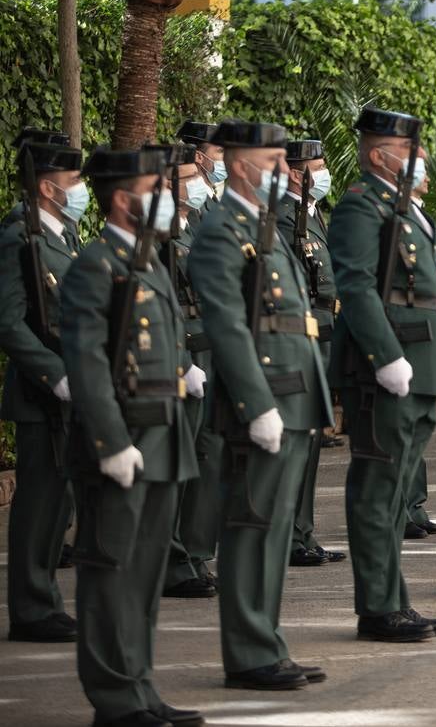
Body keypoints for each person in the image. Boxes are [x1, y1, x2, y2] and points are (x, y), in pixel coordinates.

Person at [61, 145, 204, 726]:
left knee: (144, 574)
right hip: (123, 442)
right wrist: (111, 442)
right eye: (156, 190)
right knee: (110, 570)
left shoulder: (147, 260)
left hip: (163, 439)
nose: (168, 201)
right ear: (124, 200)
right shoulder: (95, 265)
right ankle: (115, 699)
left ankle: (140, 686)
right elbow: (88, 364)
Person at [188, 119, 332, 689]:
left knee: (272, 527)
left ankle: (267, 643)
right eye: (275, 163)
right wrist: (256, 402)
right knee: (252, 525)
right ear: (245, 168)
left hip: (293, 393)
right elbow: (226, 324)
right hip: (266, 400)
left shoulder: (262, 224)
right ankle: (249, 654)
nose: (287, 174)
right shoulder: (224, 229)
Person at [327, 109, 436, 635]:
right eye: (409, 150)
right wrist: (385, 356)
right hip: (389, 366)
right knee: (379, 489)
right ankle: (377, 608)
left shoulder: (405, 208)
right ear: (380, 156)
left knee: (398, 490)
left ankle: (394, 599)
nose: (421, 157)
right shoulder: (362, 207)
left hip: (421, 361)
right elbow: (356, 287)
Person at [2, 137, 84, 643]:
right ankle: (30, 608)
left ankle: (46, 599)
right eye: (75, 184)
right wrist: (53, 373)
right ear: (50, 187)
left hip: (70, 389)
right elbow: (9, 322)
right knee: (36, 505)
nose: (81, 192)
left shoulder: (63, 235)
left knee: (59, 502)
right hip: (40, 394)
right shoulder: (18, 236)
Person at [273, 139, 348, 569]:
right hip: (305, 336)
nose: (322, 174)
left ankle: (303, 532)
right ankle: (290, 534)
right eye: (315, 167)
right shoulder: (285, 218)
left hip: (324, 332)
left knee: (313, 440)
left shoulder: (313, 213)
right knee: (297, 441)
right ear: (293, 172)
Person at [156, 142, 223, 601]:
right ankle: (174, 561)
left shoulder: (189, 228)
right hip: (182, 360)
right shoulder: (159, 237)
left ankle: (195, 555)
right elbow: (160, 308)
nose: (198, 183)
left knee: (206, 457)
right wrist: (181, 363)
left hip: (206, 353)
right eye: (188, 177)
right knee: (178, 463)